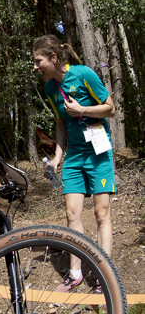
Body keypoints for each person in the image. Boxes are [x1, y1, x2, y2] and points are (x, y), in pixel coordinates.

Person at [33, 34, 116, 293]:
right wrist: (57, 158)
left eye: (38, 61)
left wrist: (83, 110)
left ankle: (105, 274)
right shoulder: (49, 88)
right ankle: (75, 273)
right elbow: (60, 123)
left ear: (54, 58)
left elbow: (110, 108)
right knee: (72, 214)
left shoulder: (83, 74)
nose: (35, 67)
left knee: (101, 214)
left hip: (99, 151)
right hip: (75, 156)